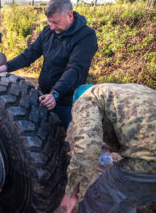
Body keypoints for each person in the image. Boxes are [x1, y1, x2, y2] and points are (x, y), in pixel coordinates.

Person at [0, 0, 98, 130]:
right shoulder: (48, 32)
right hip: (43, 93)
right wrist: (4, 67)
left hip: (64, 100)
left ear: (69, 15)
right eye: (49, 22)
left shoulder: (86, 36)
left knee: (58, 137)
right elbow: (29, 54)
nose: (51, 27)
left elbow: (75, 69)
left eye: (56, 22)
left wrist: (55, 93)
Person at [60, 83, 156, 213]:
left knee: (95, 202)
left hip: (148, 163)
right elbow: (143, 126)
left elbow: (86, 150)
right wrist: (114, 147)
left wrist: (71, 192)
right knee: (125, 200)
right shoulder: (125, 92)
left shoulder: (86, 99)